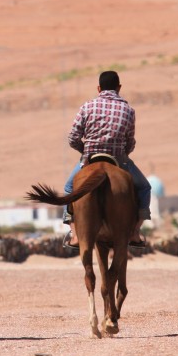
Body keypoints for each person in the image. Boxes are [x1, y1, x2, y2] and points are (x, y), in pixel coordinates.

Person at [63, 70, 151, 250]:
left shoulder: (87, 107)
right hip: (118, 159)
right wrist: (123, 154)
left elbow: (72, 137)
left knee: (69, 187)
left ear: (98, 88)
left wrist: (85, 152)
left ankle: (74, 233)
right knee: (144, 187)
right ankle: (135, 231)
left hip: (89, 158)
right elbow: (130, 142)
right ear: (119, 88)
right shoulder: (128, 110)